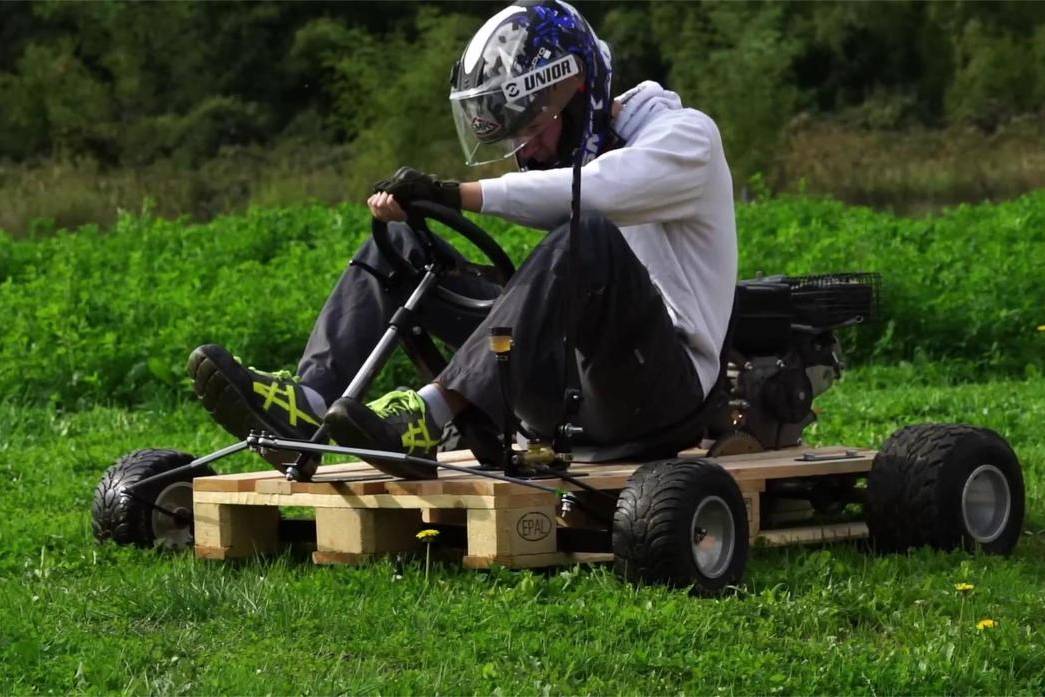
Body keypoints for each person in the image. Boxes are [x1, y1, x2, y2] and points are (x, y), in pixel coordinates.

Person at [187, 0, 737, 478]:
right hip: (563, 397)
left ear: (579, 95)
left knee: (586, 236)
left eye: (534, 128)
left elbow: (597, 193)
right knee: (403, 243)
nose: (529, 154)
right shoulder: (568, 156)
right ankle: (309, 403)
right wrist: (423, 209)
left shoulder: (686, 138)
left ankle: (431, 414)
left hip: (658, 396)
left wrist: (458, 193)